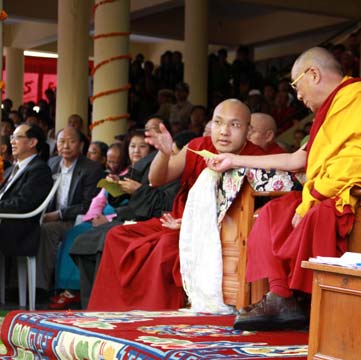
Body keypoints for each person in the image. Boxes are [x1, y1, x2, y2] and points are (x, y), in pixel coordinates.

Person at [207, 47, 361, 331]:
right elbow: (300, 159)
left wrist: (314, 196)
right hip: (331, 189)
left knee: (317, 213)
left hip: (359, 193)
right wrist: (234, 159)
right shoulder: (333, 109)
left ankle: (308, 300)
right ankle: (281, 295)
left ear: (314, 74)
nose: (298, 96)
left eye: (297, 86)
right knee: (273, 211)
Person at [87, 99, 266, 311]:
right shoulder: (199, 146)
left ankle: (155, 314)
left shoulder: (258, 159)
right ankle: (112, 311)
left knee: (165, 248)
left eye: (234, 125)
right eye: (218, 123)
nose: (224, 131)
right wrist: (163, 154)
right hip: (178, 220)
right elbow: (158, 179)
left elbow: (253, 213)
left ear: (248, 129)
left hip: (214, 231)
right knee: (117, 236)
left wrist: (192, 225)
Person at [69, 117, 181, 309]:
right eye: (148, 131)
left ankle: (110, 305)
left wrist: (138, 191)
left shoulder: (177, 164)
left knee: (105, 240)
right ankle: (90, 304)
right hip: (132, 216)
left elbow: (166, 203)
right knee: (83, 241)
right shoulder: (145, 162)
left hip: (152, 219)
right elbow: (122, 196)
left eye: (157, 131)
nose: (152, 136)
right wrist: (116, 186)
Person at [50, 131, 150, 309]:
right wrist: (93, 217)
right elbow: (100, 199)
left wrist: (108, 218)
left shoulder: (151, 174)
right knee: (74, 233)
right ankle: (67, 289)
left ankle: (77, 291)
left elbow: (137, 207)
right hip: (98, 218)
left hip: (119, 220)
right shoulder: (123, 172)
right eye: (133, 146)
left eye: (142, 146)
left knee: (88, 238)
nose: (137, 151)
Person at [37, 127, 104, 291]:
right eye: (61, 141)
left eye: (71, 141)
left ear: (81, 145)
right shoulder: (51, 164)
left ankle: (40, 287)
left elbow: (88, 204)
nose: (66, 146)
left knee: (48, 229)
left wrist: (58, 215)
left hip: (75, 219)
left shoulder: (91, 168)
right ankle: (17, 284)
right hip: (50, 216)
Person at [0, 124, 53, 257]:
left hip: (18, 229)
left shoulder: (39, 170)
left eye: (17, 137)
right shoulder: (11, 169)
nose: (12, 141)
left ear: (32, 142)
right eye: (12, 137)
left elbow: (23, 203)